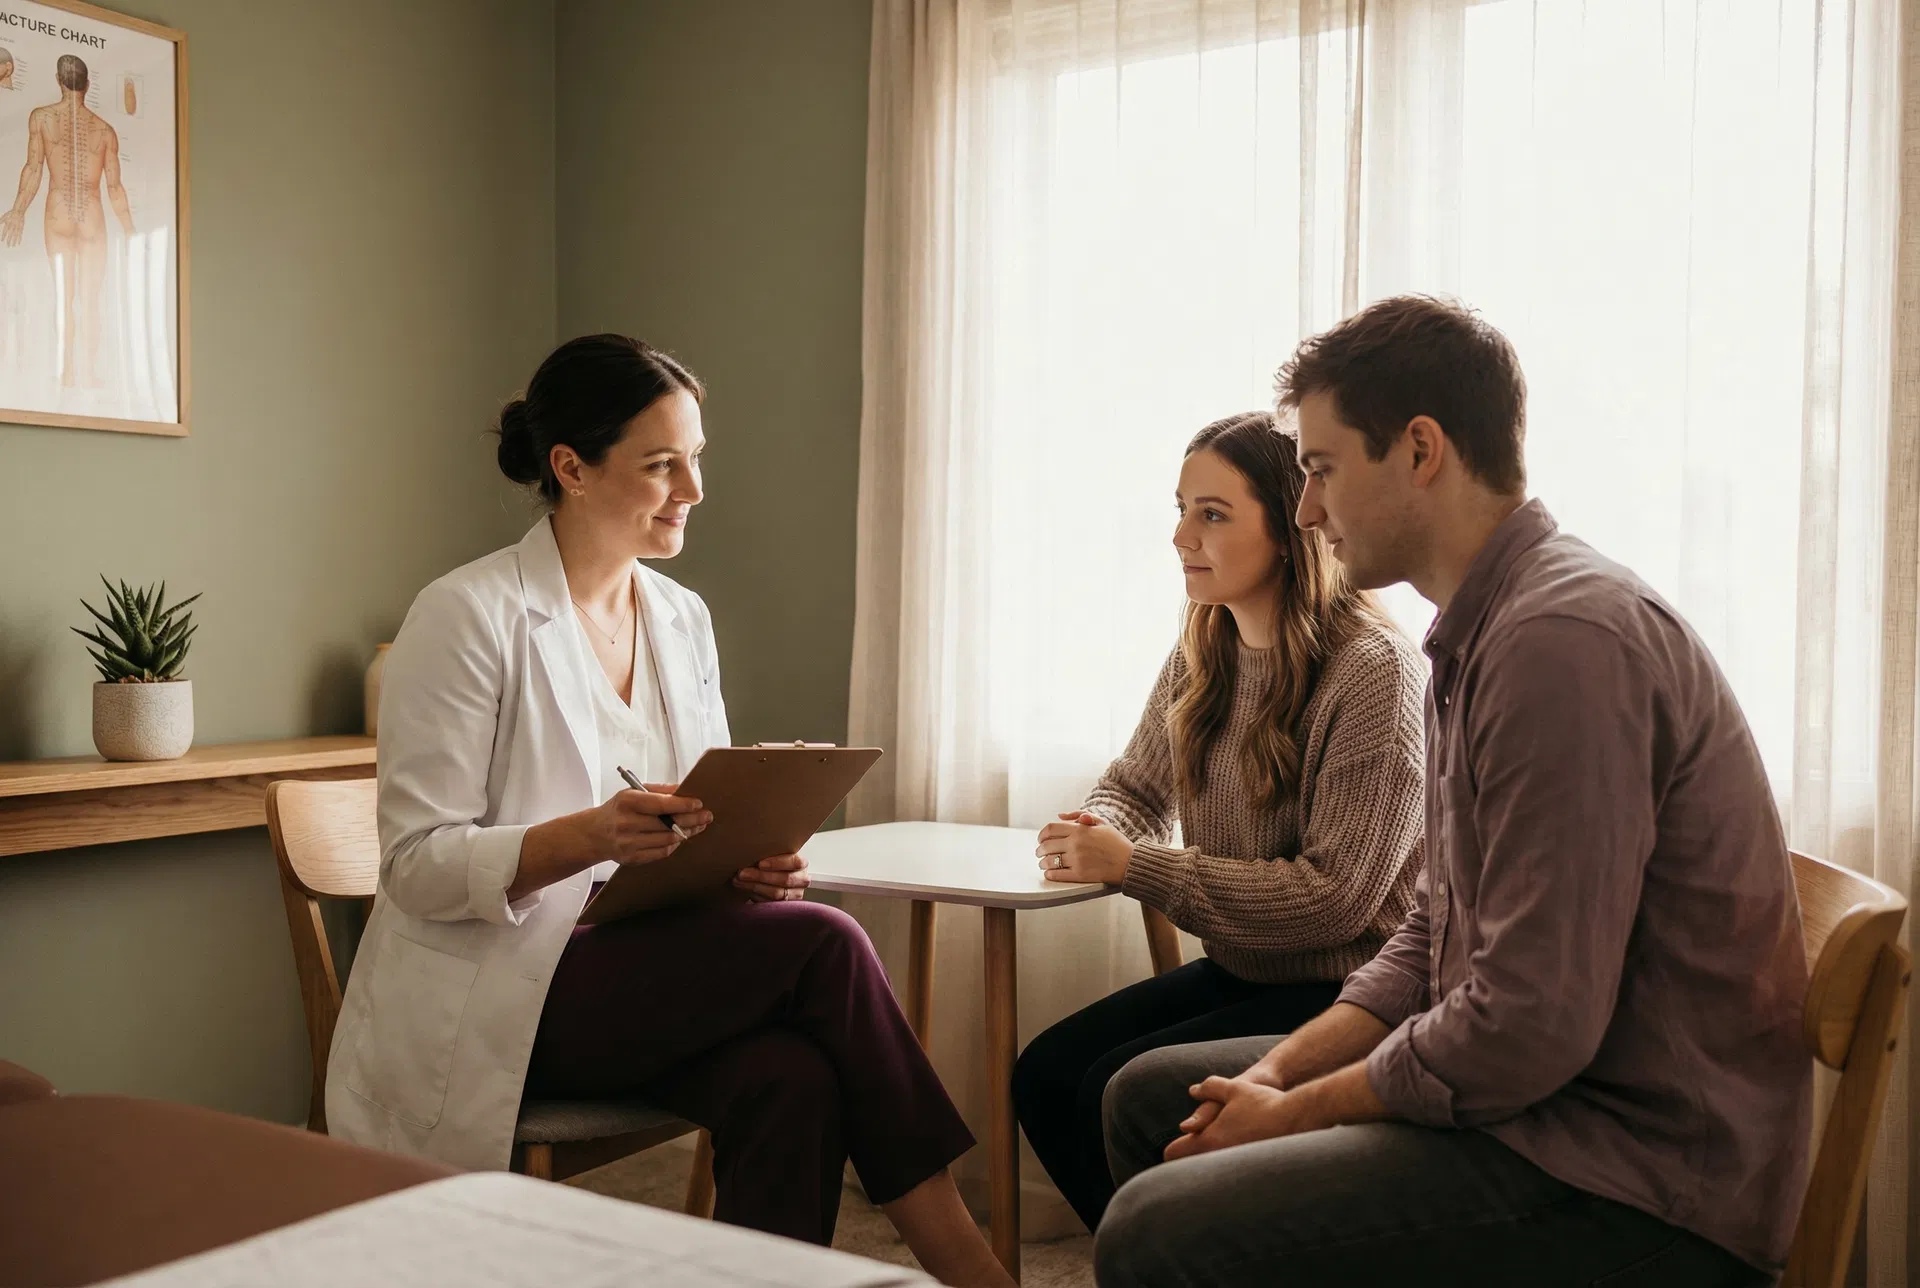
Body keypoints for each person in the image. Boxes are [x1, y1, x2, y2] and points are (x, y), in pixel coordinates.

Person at [1094, 296, 1811, 1288]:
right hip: (1547, 1108)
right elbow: (1436, 928)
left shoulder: (1562, 644)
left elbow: (1526, 1028)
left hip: (1636, 1178)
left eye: (1321, 467)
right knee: (1149, 1099)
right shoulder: (1485, 632)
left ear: (1421, 449)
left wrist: (1295, 1110)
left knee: (1155, 1230)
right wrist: (1277, 1071)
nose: (1308, 510)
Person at [328, 335, 1015, 1287]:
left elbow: (704, 805)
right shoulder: (466, 615)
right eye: (662, 464)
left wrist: (748, 865)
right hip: (508, 998)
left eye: (696, 457)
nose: (692, 486)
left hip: (640, 969)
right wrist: (588, 835)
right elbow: (414, 867)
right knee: (826, 946)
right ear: (570, 467)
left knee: (793, 1081)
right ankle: (968, 1266)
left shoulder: (681, 617)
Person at [1009, 410, 1426, 1233]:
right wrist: (1097, 825)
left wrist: (1133, 865)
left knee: (1114, 1087)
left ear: (1286, 528)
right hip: (1248, 968)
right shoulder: (1207, 646)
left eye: (1212, 513)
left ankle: (1173, 1254)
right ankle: (1147, 1259)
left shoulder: (1375, 674)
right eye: (1179, 508)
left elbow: (1334, 899)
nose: (1179, 536)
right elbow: (1138, 783)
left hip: (1353, 989)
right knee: (1047, 1073)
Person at [0, 55, 133, 389]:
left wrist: (18, 209)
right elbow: (114, 187)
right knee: (89, 301)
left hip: (57, 213)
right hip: (91, 217)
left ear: (59, 80)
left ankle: (69, 374)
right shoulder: (105, 130)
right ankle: (85, 373)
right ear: (87, 85)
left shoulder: (42, 118)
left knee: (65, 299)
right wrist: (130, 231)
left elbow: (33, 169)